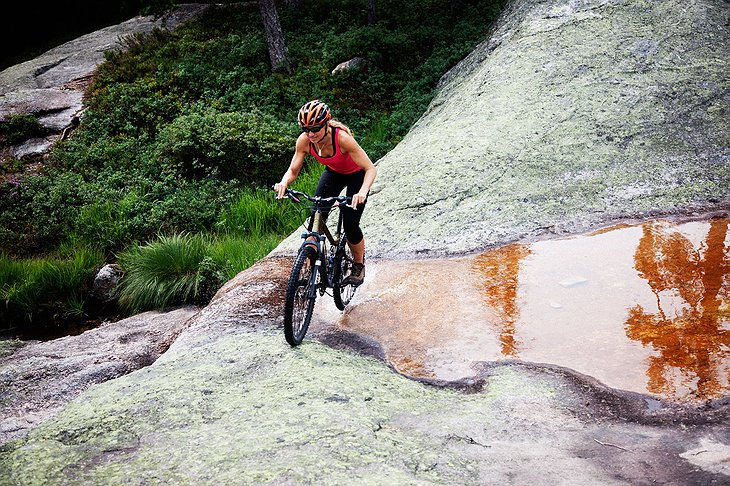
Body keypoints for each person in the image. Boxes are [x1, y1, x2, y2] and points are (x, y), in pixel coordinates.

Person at [275, 100, 377, 285]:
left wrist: (362, 192)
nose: (310, 134)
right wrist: (284, 182)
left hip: (357, 175)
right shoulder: (305, 141)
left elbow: (370, 168)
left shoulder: (342, 139)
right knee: (316, 219)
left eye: (315, 129)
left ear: (325, 124)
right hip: (333, 173)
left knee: (350, 224)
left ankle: (358, 266)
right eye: (306, 129)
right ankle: (310, 268)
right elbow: (293, 170)